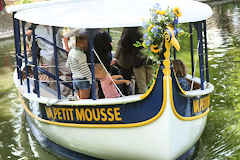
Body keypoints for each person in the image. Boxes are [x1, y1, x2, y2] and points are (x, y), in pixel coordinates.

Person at [114, 27, 154, 94]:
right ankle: (142, 99)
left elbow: (123, 43)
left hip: (142, 59)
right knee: (143, 84)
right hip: (139, 60)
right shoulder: (131, 29)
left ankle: (142, 97)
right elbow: (124, 43)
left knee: (143, 84)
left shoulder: (132, 28)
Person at [94, 32, 131, 98]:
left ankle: (102, 97)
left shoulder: (97, 47)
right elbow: (112, 80)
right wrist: (124, 81)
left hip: (103, 70)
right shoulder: (106, 48)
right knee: (108, 83)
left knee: (103, 86)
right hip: (104, 69)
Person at [66, 34, 92, 99]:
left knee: (79, 100)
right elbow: (84, 69)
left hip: (75, 79)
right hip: (83, 79)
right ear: (82, 43)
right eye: (86, 42)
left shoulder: (71, 52)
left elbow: (67, 65)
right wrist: (91, 80)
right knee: (84, 101)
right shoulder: (81, 54)